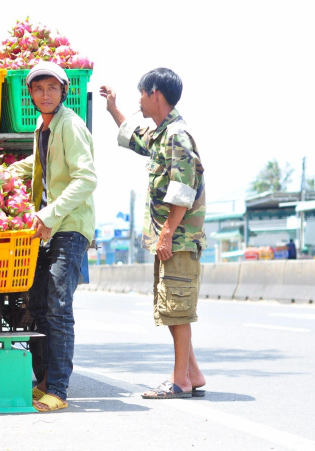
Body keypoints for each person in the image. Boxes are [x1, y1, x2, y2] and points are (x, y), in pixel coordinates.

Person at [100, 68, 207, 399]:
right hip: (172, 239)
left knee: (177, 309)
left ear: (155, 94)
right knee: (171, 307)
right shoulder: (163, 134)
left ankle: (179, 382)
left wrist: (166, 235)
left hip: (178, 240)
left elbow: (183, 188)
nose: (139, 101)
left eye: (142, 94)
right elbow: (136, 137)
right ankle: (193, 373)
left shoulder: (178, 136)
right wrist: (113, 109)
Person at [10, 62, 97, 412]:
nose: (44, 94)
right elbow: (39, 164)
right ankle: (44, 380)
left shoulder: (71, 126)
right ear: (30, 94)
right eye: (37, 89)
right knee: (41, 307)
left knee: (59, 309)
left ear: (64, 90)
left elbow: (86, 178)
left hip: (70, 226)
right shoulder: (43, 125)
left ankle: (58, 390)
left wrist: (48, 213)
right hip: (49, 227)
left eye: (52, 88)